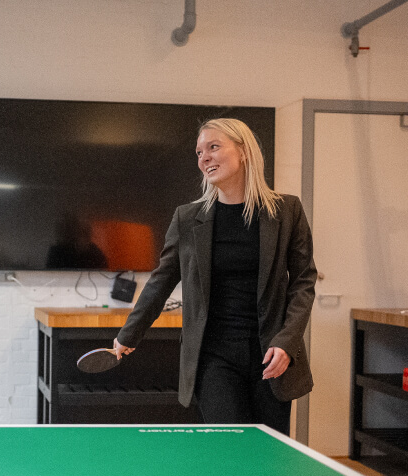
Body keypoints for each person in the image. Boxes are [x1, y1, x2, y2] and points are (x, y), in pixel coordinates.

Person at [113, 118, 316, 434]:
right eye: (199, 152)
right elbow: (162, 280)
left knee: (267, 451)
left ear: (243, 151)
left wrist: (287, 342)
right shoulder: (187, 218)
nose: (203, 157)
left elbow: (303, 282)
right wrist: (129, 333)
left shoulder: (287, 211)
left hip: (270, 356)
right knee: (229, 443)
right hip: (214, 356)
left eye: (213, 147)